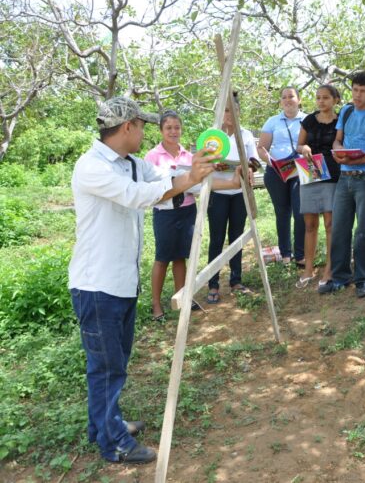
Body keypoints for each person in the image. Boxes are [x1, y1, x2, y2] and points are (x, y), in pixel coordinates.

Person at [68, 97, 243, 464]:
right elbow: (138, 197)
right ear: (128, 127)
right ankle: (113, 441)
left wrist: (194, 170)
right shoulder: (92, 167)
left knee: (115, 362)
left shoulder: (131, 163)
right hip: (96, 283)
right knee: (105, 366)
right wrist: (188, 179)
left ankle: (104, 423)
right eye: (143, 126)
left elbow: (163, 178)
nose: (145, 132)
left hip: (120, 280)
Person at [318, 72, 365, 298]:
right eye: (355, 89)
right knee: (339, 228)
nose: (357, 95)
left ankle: (362, 278)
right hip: (344, 178)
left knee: (363, 231)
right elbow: (338, 139)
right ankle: (340, 277)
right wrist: (339, 153)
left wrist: (351, 159)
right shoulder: (346, 111)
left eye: (363, 91)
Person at [144, 110, 199, 321]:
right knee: (162, 257)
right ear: (161, 130)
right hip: (165, 212)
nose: (173, 131)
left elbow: (196, 182)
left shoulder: (189, 156)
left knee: (181, 255)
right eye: (169, 128)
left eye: (177, 127)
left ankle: (182, 298)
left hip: (187, 209)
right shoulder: (152, 156)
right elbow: (148, 188)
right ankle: (156, 304)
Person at [206, 92, 258, 304]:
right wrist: (214, 164)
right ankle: (213, 284)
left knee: (237, 238)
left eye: (233, 110)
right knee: (216, 239)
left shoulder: (245, 134)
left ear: (238, 112)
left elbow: (254, 161)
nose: (229, 115)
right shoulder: (212, 135)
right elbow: (203, 162)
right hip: (217, 193)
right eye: (225, 110)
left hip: (239, 194)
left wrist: (250, 169)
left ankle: (236, 280)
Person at [295, 85, 341, 289]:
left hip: (332, 174)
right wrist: (303, 147)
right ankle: (308, 269)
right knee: (310, 224)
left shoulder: (341, 120)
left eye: (325, 98)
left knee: (330, 225)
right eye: (318, 98)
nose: (321, 101)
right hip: (310, 171)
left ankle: (329, 269)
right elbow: (298, 145)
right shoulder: (309, 120)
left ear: (335, 100)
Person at [258, 87, 307, 266]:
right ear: (281, 102)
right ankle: (286, 254)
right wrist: (273, 163)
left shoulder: (308, 120)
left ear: (299, 100)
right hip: (276, 171)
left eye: (291, 97)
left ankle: (300, 255)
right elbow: (261, 148)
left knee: (300, 212)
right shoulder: (272, 121)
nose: (288, 100)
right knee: (282, 212)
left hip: (300, 170)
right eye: (284, 97)